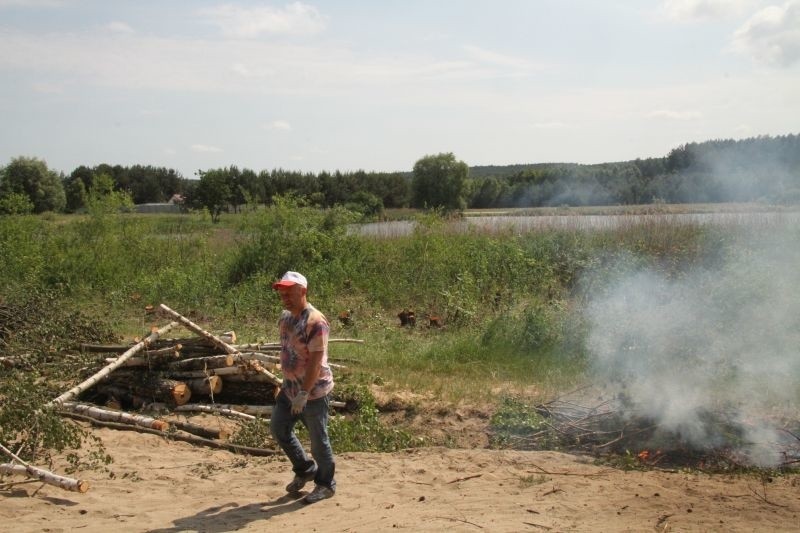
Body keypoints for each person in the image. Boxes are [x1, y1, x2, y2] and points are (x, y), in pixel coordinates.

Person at [270, 271, 336, 504]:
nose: (285, 296)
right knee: (279, 428)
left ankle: (325, 484)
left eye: (290, 291)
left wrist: (304, 393)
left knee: (319, 441)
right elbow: (288, 350)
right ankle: (305, 469)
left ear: (303, 291)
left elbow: (316, 362)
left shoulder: (315, 321)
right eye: (282, 291)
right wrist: (286, 383)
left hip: (313, 393)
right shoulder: (286, 317)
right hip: (289, 390)